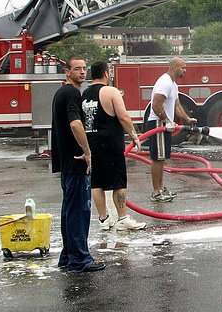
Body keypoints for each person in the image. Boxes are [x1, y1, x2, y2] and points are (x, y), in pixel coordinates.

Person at [50, 56, 103, 272]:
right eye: (77, 69)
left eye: (84, 69)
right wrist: (87, 151)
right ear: (67, 72)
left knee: (69, 210)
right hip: (76, 160)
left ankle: (68, 257)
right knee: (79, 211)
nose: (82, 72)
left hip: (66, 162)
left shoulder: (61, 93)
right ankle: (80, 260)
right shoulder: (72, 93)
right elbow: (75, 123)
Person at [81, 61, 146, 233]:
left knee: (97, 183)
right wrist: (135, 136)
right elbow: (123, 116)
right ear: (106, 73)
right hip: (110, 144)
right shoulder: (110, 91)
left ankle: (104, 219)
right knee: (118, 182)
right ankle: (123, 217)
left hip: (92, 143)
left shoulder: (85, 94)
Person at [143, 56, 197, 202]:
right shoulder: (165, 83)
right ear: (174, 68)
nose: (185, 70)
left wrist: (187, 119)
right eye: (183, 67)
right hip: (158, 124)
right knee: (157, 158)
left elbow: (177, 105)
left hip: (165, 125)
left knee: (162, 158)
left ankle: (161, 188)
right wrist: (167, 121)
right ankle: (156, 192)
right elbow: (156, 105)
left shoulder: (173, 85)